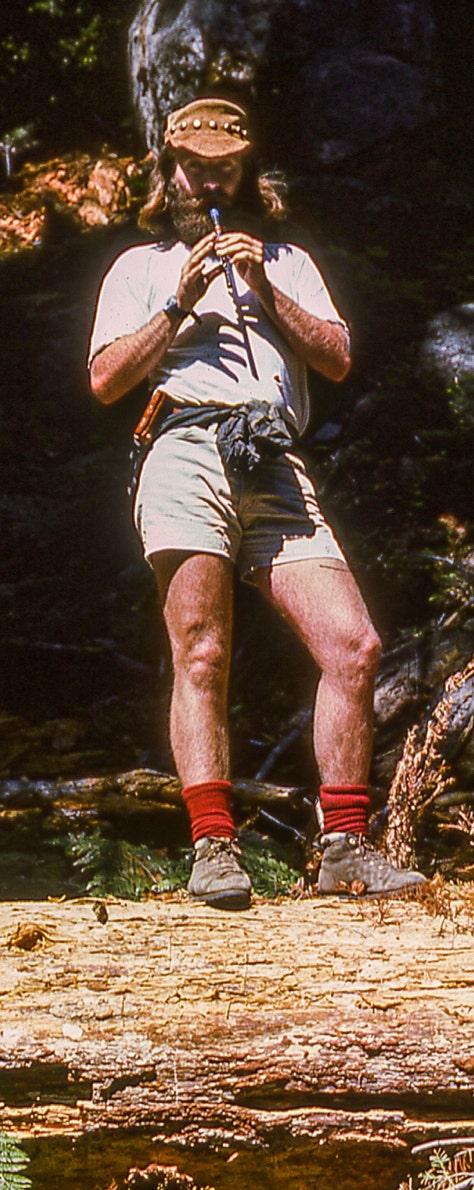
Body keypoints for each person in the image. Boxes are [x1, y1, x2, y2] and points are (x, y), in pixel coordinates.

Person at [88, 95, 425, 909]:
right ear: (167, 172)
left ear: (247, 175)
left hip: (271, 455)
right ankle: (213, 848)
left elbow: (339, 359)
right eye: (193, 167)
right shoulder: (136, 268)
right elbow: (104, 381)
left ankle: (345, 846)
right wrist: (179, 298)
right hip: (181, 447)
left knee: (353, 646)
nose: (206, 181)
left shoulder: (287, 261)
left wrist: (261, 287)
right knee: (201, 652)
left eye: (223, 169)